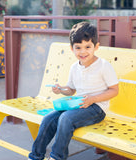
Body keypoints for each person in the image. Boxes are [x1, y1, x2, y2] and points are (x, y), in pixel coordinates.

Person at [28, 22, 119, 160]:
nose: (83, 52)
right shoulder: (74, 68)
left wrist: (92, 99)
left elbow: (114, 90)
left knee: (65, 118)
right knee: (48, 119)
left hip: (97, 109)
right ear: (72, 48)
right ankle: (35, 156)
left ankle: (57, 157)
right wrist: (60, 90)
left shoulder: (103, 66)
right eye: (78, 47)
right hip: (78, 105)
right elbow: (71, 90)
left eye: (88, 47)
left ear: (96, 47)